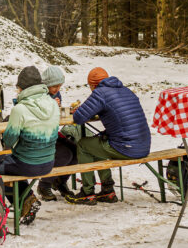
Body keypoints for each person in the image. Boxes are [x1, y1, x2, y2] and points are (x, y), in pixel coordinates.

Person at [0, 66, 65, 225]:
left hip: (26, 164)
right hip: (49, 163)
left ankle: (9, 207)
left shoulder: (19, 109)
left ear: (22, 88)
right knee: (9, 165)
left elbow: (8, 141)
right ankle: (26, 201)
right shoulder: (53, 104)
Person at [63, 67, 152, 205]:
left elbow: (79, 118)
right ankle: (107, 190)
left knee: (83, 145)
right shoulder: (125, 90)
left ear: (93, 85)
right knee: (97, 143)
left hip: (127, 147)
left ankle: (87, 192)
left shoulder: (100, 93)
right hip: (143, 145)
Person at [36, 65, 77, 201]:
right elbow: (36, 118)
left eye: (59, 86)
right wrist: (51, 106)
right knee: (64, 154)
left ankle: (60, 181)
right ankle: (44, 184)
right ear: (46, 85)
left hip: (53, 132)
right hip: (39, 136)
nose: (57, 89)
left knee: (76, 150)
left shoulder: (56, 94)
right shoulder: (37, 95)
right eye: (55, 86)